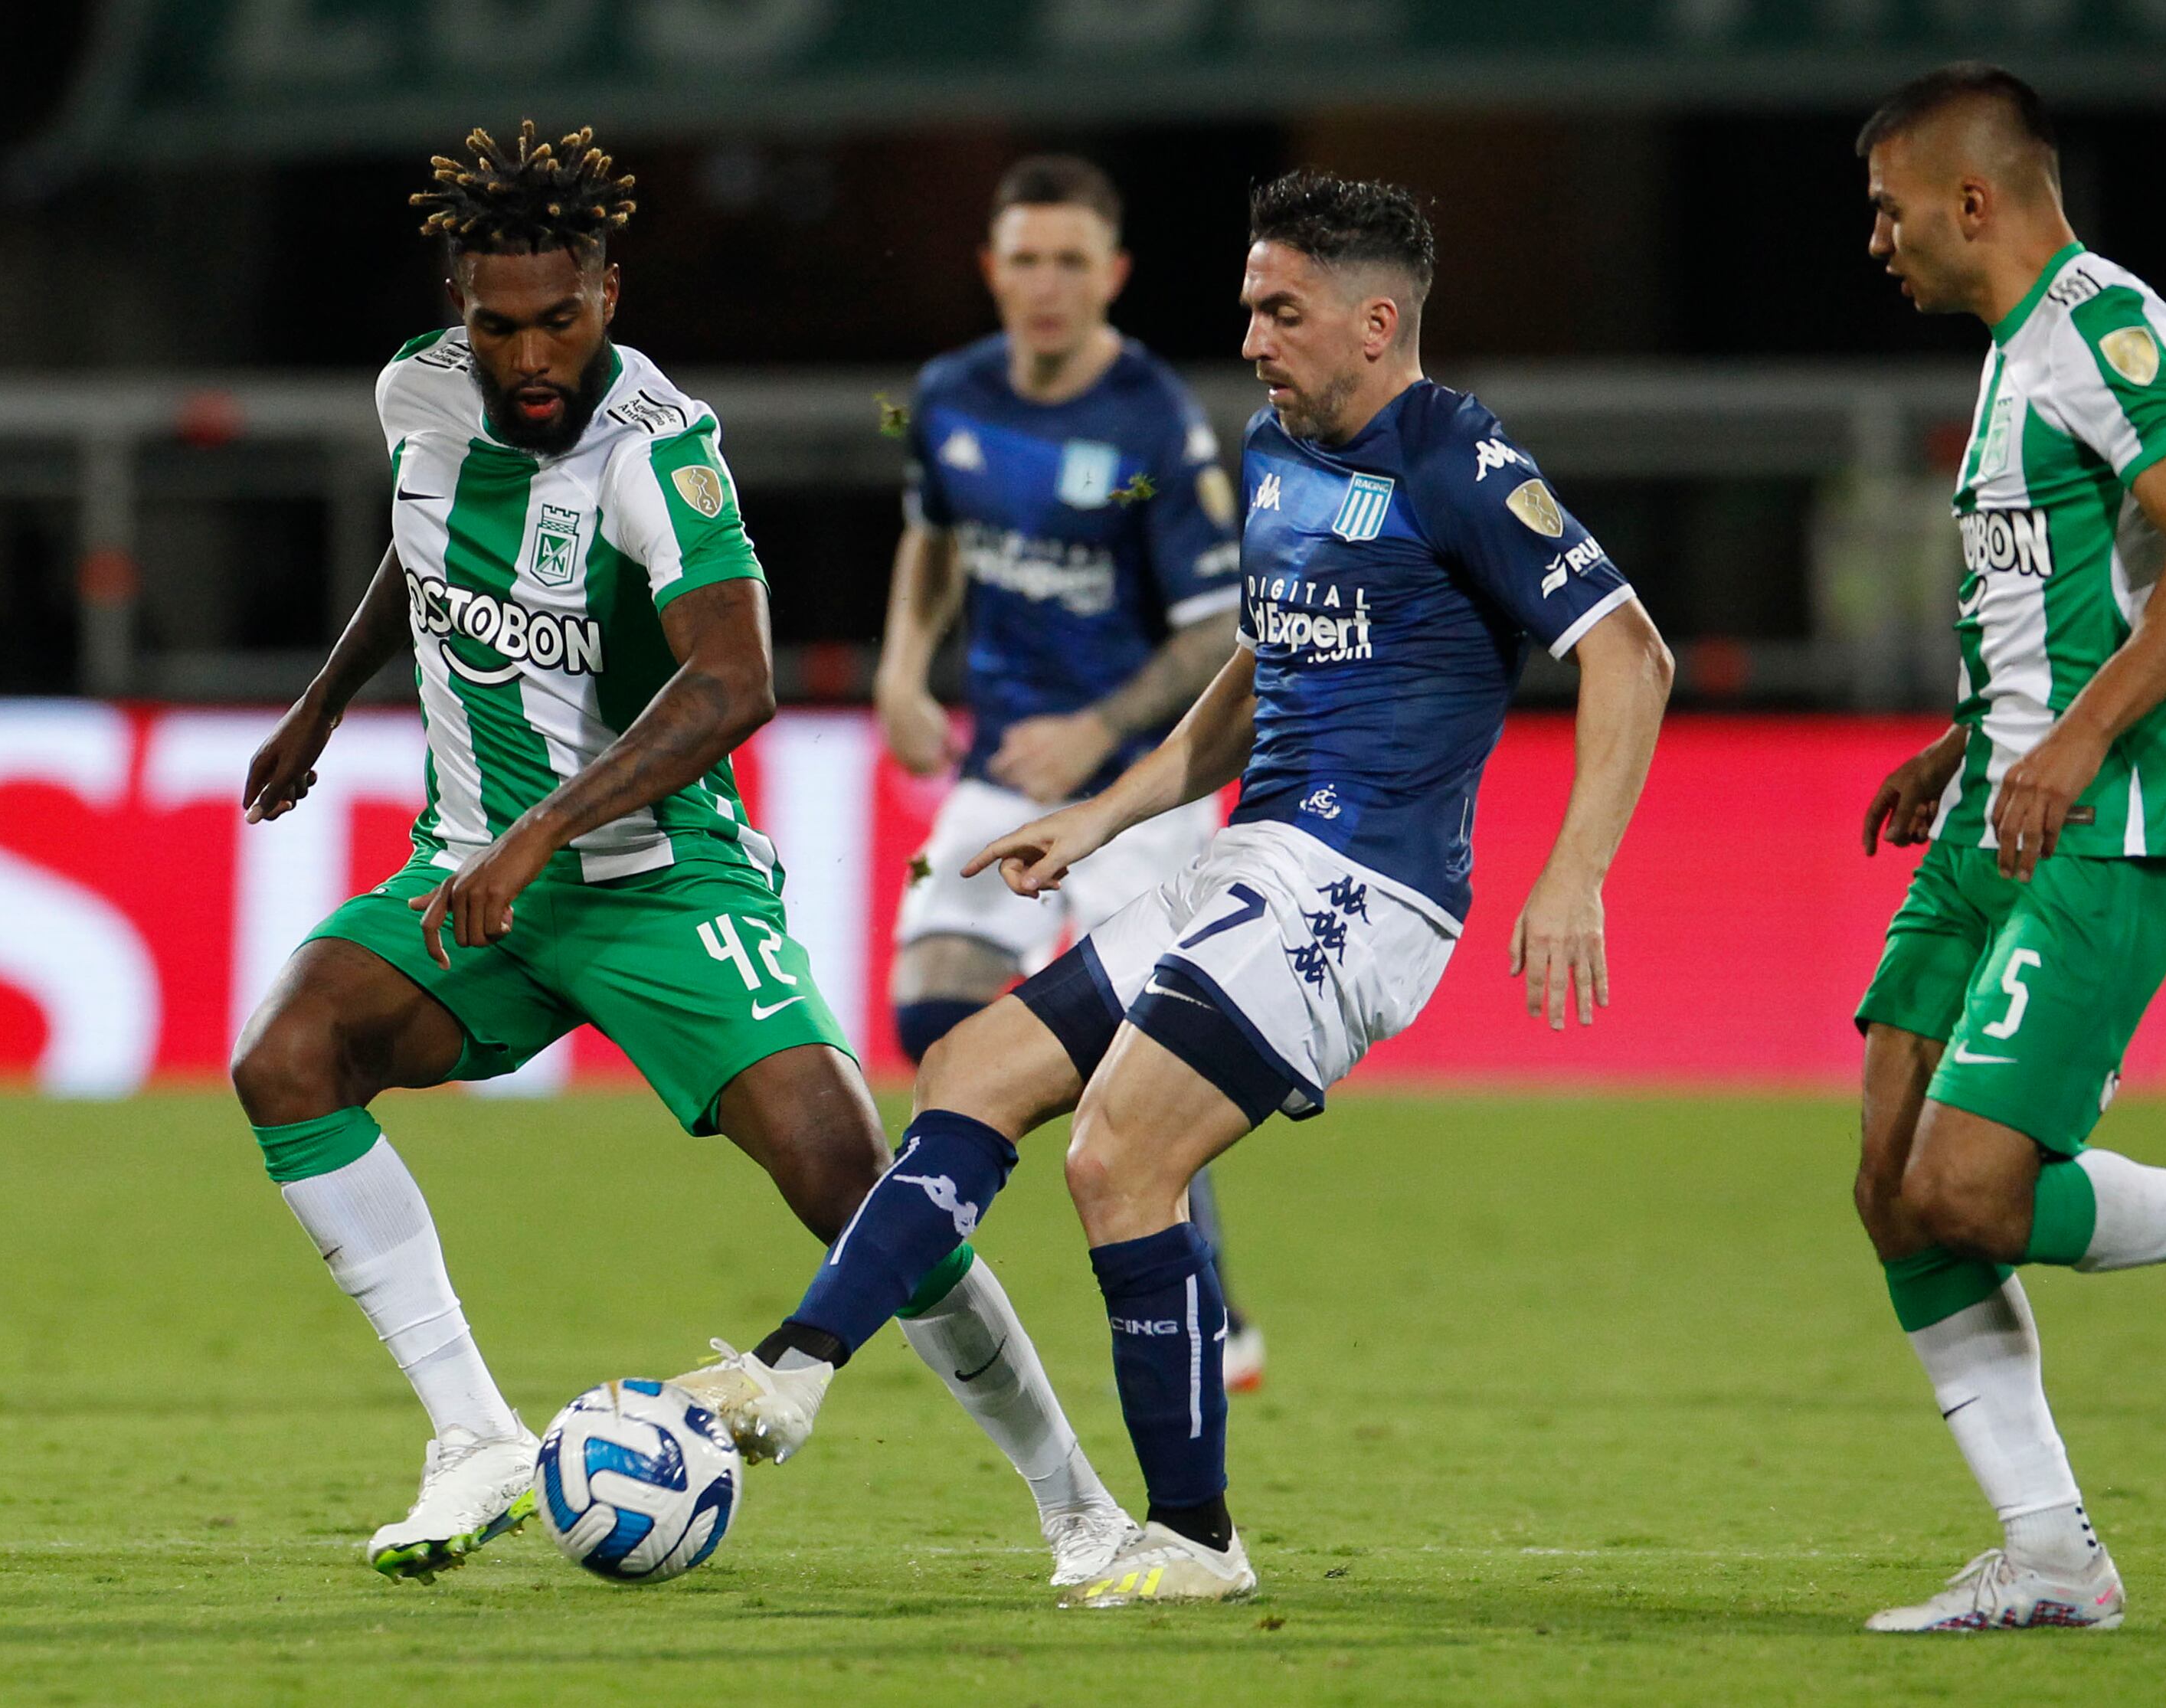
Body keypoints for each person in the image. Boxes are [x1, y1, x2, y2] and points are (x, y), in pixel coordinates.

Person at [673, 169, 1674, 1609]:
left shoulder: (1462, 462)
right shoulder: (1277, 448)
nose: (1255, 338)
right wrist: (1106, 810)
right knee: (971, 1061)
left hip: (1365, 889)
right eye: (1250, 307)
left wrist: (1576, 867)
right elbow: (1258, 670)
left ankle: (1195, 1537)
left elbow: (1629, 652)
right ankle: (792, 1373)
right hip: (1247, 858)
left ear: (1378, 322)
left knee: (1117, 1157)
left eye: (1284, 311)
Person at [230, 122, 1132, 1585]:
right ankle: (475, 1439)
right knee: (286, 1058)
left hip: (658, 883)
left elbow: (734, 683)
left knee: (856, 1180)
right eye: (498, 323)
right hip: (474, 870)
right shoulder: (417, 390)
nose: (530, 355)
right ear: (459, 307)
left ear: (610, 291)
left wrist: (541, 830)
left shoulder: (662, 455)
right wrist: (323, 703)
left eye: (560, 320)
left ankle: (1079, 1506)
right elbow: (422, 544)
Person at [1846, 65, 2166, 1634]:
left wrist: (2075, 737)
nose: (1872, 241)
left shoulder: (2101, 325)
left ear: (1971, 201)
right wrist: (1968, 735)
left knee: (1971, 1189)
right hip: (1986, 818)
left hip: (2101, 823)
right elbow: (2062, 598)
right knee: (1888, 1186)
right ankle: (2056, 1555)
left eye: (1887, 211)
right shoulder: (2015, 358)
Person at [879, 155, 1270, 1392]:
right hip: (1004, 766)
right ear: (994, 270)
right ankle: (960, 1222)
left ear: (1112, 275)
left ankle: (1207, 1302)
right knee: (931, 999)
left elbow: (1219, 629)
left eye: (1070, 262)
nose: (1045, 285)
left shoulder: (1153, 426)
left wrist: (1097, 727)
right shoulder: (947, 396)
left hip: (1137, 783)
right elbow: (933, 540)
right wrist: (902, 670)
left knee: (1142, 1054)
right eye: (1025, 260)